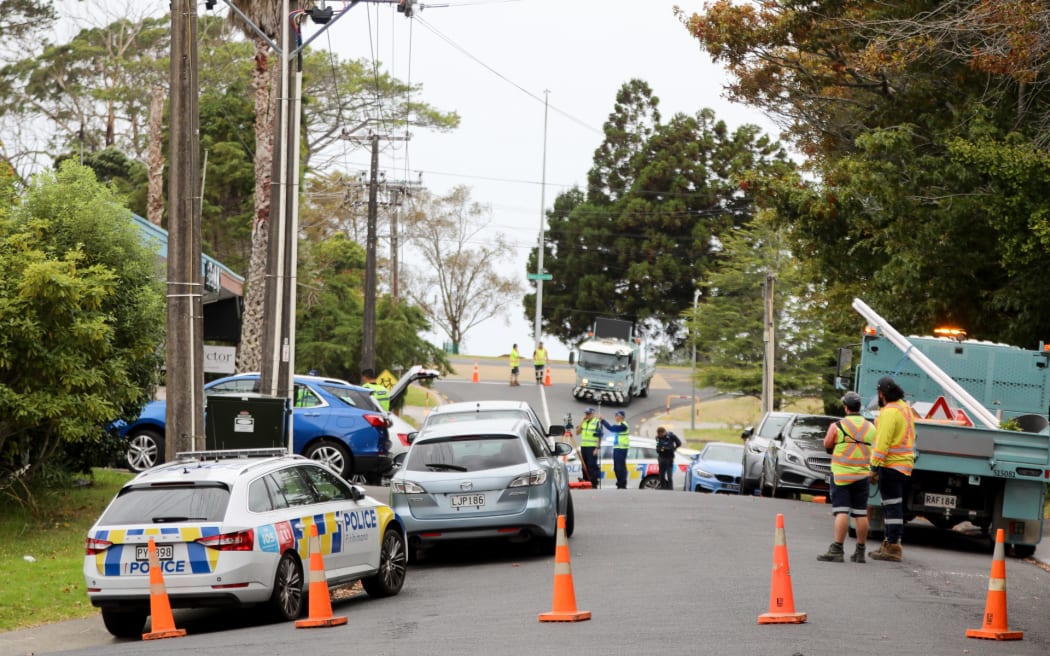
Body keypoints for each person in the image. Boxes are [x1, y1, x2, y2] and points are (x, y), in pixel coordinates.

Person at [817, 391, 875, 563]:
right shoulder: (871, 428)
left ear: (846, 408)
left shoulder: (837, 426)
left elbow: (827, 444)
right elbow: (875, 448)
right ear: (859, 407)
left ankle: (837, 549)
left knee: (841, 511)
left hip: (841, 475)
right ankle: (860, 551)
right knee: (861, 513)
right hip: (862, 475)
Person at [868, 376, 916, 562]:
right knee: (892, 505)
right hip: (903, 465)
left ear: (881, 394)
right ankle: (889, 543)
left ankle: (893, 546)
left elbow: (882, 443)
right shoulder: (905, 408)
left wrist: (874, 468)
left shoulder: (889, 412)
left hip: (891, 465)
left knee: (892, 507)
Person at [601, 410, 630, 489]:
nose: (615, 417)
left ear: (621, 417)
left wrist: (603, 421)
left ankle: (622, 483)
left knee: (620, 467)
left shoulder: (624, 425)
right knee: (616, 467)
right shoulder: (620, 424)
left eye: (616, 416)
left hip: (622, 449)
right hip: (617, 448)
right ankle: (619, 482)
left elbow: (611, 428)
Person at [578, 407, 603, 487]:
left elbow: (600, 436)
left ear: (593, 414)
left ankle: (593, 483)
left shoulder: (597, 422)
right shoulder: (584, 422)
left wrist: (597, 448)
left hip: (592, 447)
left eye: (589, 414)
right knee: (584, 466)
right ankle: (585, 481)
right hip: (584, 447)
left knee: (591, 466)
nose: (587, 415)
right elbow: (577, 432)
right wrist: (582, 420)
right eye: (586, 414)